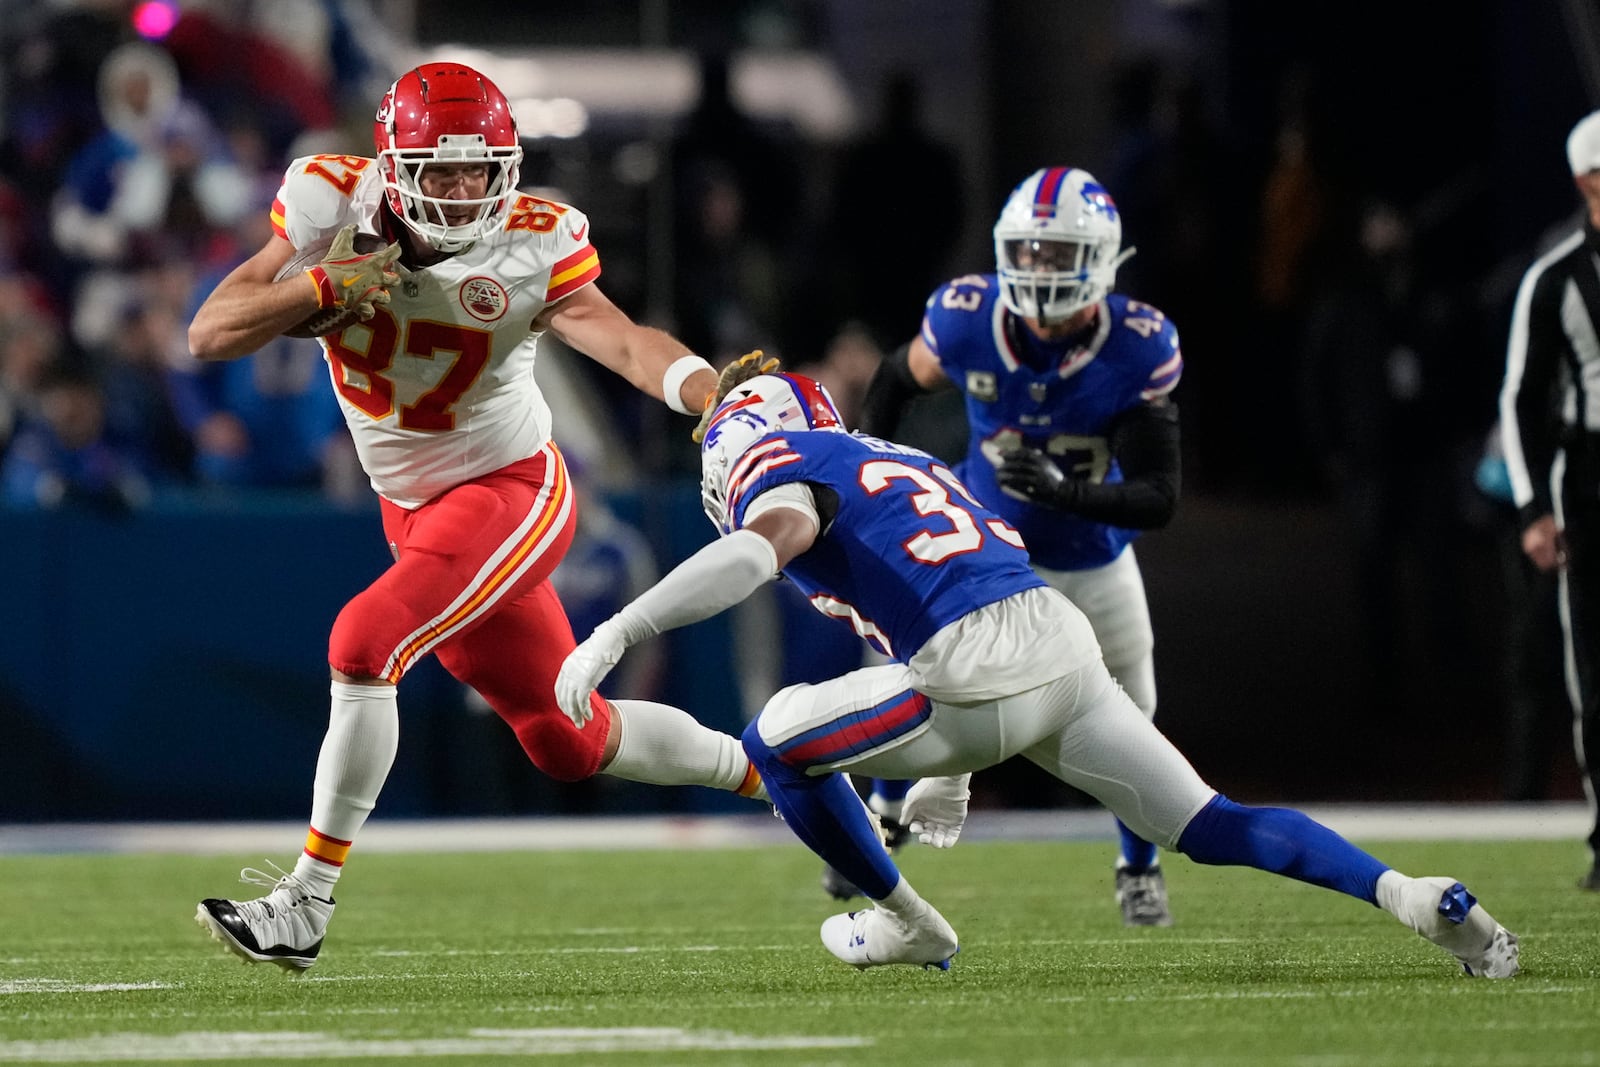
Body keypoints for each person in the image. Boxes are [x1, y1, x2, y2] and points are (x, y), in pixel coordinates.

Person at [555, 363, 1520, 978]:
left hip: (975, 674)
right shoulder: (897, 460)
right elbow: (963, 582)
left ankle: (908, 922)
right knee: (1211, 821)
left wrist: (616, 632)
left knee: (776, 739)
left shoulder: (786, 465)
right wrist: (951, 763)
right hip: (1056, 644)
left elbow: (757, 552)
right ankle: (1410, 894)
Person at [187, 62, 767, 972]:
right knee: (570, 739)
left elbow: (617, 336)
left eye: (480, 168)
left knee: (362, 639)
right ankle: (787, 772)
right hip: (413, 511)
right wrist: (321, 289)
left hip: (512, 492)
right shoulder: (327, 202)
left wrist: (703, 389)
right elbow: (210, 330)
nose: (463, 191)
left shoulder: (535, 239)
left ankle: (304, 903)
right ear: (392, 161)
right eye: (441, 170)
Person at [852, 166, 1182, 926]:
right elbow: (899, 377)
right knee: (917, 681)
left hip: (1093, 556)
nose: (1038, 268)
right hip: (984, 554)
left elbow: (1160, 496)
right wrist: (863, 460)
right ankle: (881, 823)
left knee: (1137, 717)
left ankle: (1139, 866)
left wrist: (1064, 489)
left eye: (1057, 252)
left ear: (1099, 258)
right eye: (1028, 251)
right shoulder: (968, 320)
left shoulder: (1135, 345)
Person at [1498, 108, 1600, 890]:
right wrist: (1534, 508)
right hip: (1590, 474)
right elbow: (1521, 399)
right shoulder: (1557, 277)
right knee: (1591, 668)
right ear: (1588, 182)